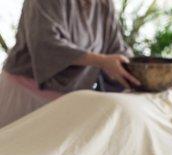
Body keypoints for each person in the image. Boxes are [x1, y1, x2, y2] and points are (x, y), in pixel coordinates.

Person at [0, 0, 139, 128]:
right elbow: (45, 44)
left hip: (68, 102)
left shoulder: (104, 4)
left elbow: (116, 48)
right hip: (24, 96)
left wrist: (138, 70)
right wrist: (101, 61)